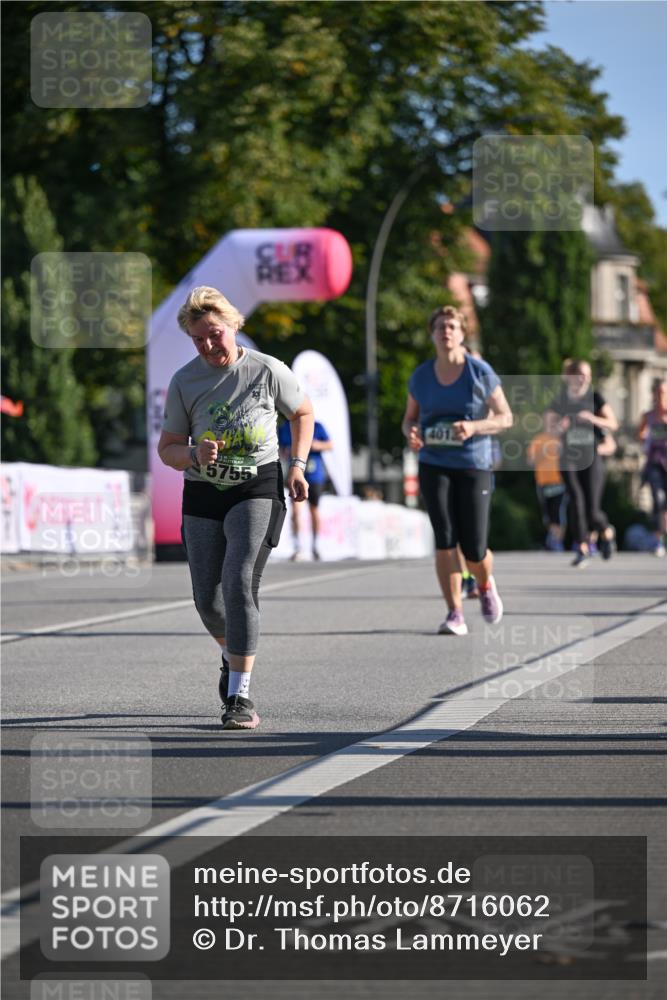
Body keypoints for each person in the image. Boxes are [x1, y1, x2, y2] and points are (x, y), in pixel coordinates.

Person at [157, 286, 314, 730]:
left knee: (239, 579)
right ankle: (233, 657)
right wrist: (192, 455)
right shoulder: (185, 381)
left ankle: (239, 696)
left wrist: (297, 466)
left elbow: (302, 412)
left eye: (214, 334)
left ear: (233, 325)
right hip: (203, 492)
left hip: (256, 488)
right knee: (208, 601)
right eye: (198, 339)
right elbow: (167, 449)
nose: (208, 346)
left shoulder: (267, 371)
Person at [402, 305, 513, 636]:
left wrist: (475, 427)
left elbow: (505, 417)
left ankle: (485, 583)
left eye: (452, 326)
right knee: (445, 541)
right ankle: (454, 613)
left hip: (473, 465)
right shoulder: (421, 376)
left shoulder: (479, 373)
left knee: (474, 548)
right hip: (434, 465)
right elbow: (410, 417)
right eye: (440, 326)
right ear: (432, 334)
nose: (446, 331)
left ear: (462, 333)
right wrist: (411, 431)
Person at [545, 359, 618, 568]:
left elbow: (613, 423)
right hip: (568, 457)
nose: (585, 378)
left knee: (592, 510)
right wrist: (560, 426)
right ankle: (582, 547)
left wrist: (592, 418)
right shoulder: (560, 400)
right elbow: (549, 427)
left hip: (591, 457)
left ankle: (606, 531)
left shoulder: (595, 398)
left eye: (588, 374)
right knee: (576, 500)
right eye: (580, 374)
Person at [278, 418, 332, 560]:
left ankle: (315, 545)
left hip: (315, 475)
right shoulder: (287, 427)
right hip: (296, 473)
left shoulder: (318, 425)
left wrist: (316, 445)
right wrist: (286, 452)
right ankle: (298, 547)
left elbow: (330, 444)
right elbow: (281, 448)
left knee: (314, 510)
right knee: (295, 510)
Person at [638, 377, 667, 557]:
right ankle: (657, 539)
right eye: (658, 392)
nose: (661, 396)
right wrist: (645, 439)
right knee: (657, 498)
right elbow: (640, 434)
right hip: (655, 462)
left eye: (664, 392)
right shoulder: (648, 416)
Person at [526, 430, 568, 551]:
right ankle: (553, 538)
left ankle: (557, 542)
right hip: (543, 483)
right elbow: (530, 461)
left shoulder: (564, 438)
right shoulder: (539, 439)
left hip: (560, 482)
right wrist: (544, 452)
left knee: (559, 512)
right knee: (547, 514)